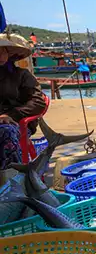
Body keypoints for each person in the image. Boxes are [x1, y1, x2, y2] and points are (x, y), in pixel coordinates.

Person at [0, 33, 46, 170]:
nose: (1, 56)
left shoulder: (21, 75)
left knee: (4, 132)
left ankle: (12, 178)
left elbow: (38, 102)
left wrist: (11, 115)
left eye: (3, 52)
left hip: (17, 122)